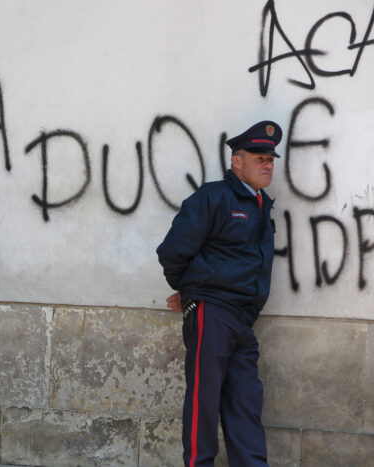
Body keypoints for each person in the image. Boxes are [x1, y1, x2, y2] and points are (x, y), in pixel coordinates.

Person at [156, 120, 282, 466]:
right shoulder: (214, 197)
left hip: (243, 318)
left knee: (245, 401)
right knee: (204, 401)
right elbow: (172, 251)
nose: (267, 164)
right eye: (258, 158)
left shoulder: (261, 205)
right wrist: (192, 290)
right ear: (235, 162)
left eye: (270, 159)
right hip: (213, 313)